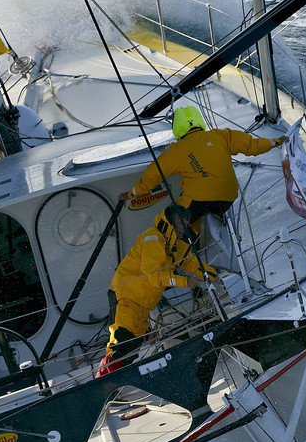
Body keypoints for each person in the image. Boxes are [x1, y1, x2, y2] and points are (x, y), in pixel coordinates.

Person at [97, 204, 212, 377]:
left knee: (132, 348)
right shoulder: (153, 239)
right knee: (121, 345)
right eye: (182, 223)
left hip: (141, 303)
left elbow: (190, 263)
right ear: (172, 222)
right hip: (127, 298)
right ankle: (102, 388)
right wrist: (184, 281)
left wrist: (213, 275)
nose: (185, 227)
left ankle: (117, 385)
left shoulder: (171, 245)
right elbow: (154, 276)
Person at [128, 105, 281, 229]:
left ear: (178, 127)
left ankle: (182, 253)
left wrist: (132, 193)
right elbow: (253, 146)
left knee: (169, 221)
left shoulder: (176, 149)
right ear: (199, 120)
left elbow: (154, 173)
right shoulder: (221, 135)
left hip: (198, 201)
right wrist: (275, 142)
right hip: (227, 199)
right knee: (192, 214)